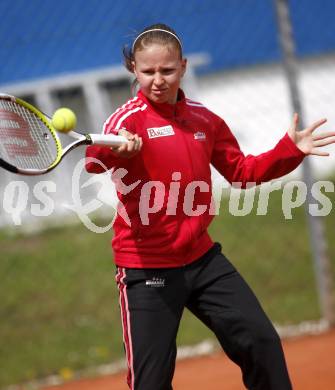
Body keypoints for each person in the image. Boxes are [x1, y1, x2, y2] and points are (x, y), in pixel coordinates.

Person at [86, 23, 335, 390]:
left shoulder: (204, 119)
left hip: (203, 260)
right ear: (133, 71)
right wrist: (117, 148)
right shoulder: (127, 122)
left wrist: (289, 150)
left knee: (260, 341)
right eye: (148, 71)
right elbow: (94, 159)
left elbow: (242, 172)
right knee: (150, 382)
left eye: (167, 70)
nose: (158, 79)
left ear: (183, 67)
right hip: (147, 268)